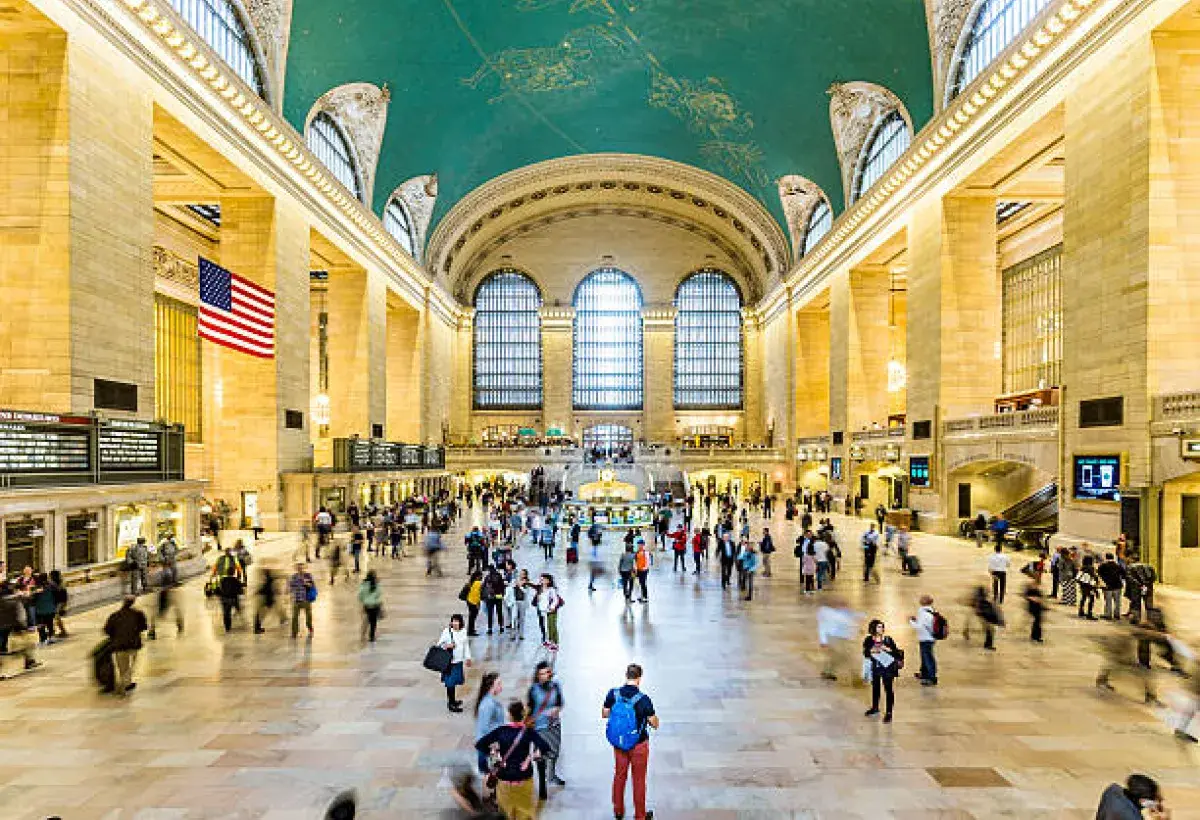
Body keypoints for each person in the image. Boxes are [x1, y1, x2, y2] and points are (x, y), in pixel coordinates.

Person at [475, 701, 551, 820]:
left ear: (510, 715)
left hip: (504, 779)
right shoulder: (528, 732)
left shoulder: (501, 731)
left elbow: (480, 744)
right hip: (523, 779)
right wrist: (530, 757)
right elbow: (545, 747)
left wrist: (495, 754)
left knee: (505, 814)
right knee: (526, 814)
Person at [603, 663, 659, 820]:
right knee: (639, 780)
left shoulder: (613, 694)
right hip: (639, 745)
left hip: (619, 743)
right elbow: (654, 723)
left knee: (619, 776)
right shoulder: (643, 700)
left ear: (626, 676)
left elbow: (605, 713)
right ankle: (640, 815)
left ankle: (618, 810)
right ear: (639, 679)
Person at [528, 661, 567, 799]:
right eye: (542, 673)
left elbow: (560, 703)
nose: (545, 676)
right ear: (537, 675)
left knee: (554, 752)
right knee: (541, 757)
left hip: (554, 726)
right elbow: (530, 710)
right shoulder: (533, 690)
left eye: (547, 673)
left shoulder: (556, 686)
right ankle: (543, 786)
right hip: (540, 728)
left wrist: (556, 710)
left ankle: (552, 775)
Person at [103, 595, 148, 696]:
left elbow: (107, 630)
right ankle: (124, 685)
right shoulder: (138, 614)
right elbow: (144, 627)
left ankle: (126, 683)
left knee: (123, 667)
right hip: (133, 644)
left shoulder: (114, 615)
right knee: (130, 667)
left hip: (119, 645)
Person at [862, 619, 901, 723]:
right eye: (879, 627)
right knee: (875, 688)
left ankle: (889, 713)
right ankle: (875, 707)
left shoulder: (888, 640)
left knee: (888, 689)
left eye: (882, 626)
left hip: (887, 668)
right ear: (873, 628)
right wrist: (871, 650)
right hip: (875, 668)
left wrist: (888, 649)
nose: (881, 629)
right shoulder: (869, 640)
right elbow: (865, 652)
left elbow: (896, 653)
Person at [0, 581, 40, 677]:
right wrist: (24, 626)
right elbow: (21, 615)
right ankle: (28, 661)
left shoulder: (6, 600)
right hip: (14, 625)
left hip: (4, 626)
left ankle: (29, 660)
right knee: (26, 643)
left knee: (22, 644)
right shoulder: (16, 600)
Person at [817, 599, 861, 681]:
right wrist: (823, 641)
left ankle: (827, 672)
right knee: (845, 656)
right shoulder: (826, 612)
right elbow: (822, 627)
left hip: (844, 638)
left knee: (840, 656)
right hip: (834, 638)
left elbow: (854, 619)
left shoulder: (844, 612)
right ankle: (856, 676)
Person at [1095, 774, 1169, 820]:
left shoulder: (1113, 789)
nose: (1160, 800)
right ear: (1144, 801)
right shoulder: (1133, 817)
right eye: (1156, 798)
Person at [438, 614, 472, 713]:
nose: (455, 623)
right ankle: (451, 704)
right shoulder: (447, 631)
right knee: (450, 683)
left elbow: (466, 646)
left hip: (458, 662)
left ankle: (453, 701)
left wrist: (468, 658)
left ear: (461, 622)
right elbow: (439, 645)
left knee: (454, 682)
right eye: (453, 621)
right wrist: (448, 645)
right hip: (449, 663)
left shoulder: (463, 631)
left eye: (457, 621)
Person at [474, 672, 506, 774]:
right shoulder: (487, 705)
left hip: (491, 745)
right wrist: (495, 746)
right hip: (489, 746)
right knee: (491, 774)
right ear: (492, 686)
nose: (501, 686)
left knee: (495, 772)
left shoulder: (491, 701)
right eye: (499, 684)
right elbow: (485, 728)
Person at [212, 545, 245, 632]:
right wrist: (239, 576)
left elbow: (215, 567)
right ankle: (238, 614)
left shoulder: (222, 558)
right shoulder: (230, 558)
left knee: (226, 611)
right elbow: (238, 568)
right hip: (229, 582)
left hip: (224, 582)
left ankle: (228, 626)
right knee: (234, 604)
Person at [148, 568, 185, 640]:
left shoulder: (163, 589)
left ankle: (152, 630)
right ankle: (179, 624)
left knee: (157, 615)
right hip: (165, 594)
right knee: (159, 614)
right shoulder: (170, 591)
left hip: (163, 595)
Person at [909, 595, 939, 686]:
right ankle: (924, 673)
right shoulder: (929, 610)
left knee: (928, 658)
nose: (920, 599)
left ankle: (931, 677)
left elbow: (918, 626)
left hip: (926, 639)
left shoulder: (924, 613)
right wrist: (917, 620)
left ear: (925, 602)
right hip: (929, 638)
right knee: (924, 657)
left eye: (922, 598)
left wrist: (911, 621)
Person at [288, 562, 316, 639]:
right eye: (298, 567)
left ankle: (310, 627)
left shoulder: (308, 575)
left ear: (304, 568)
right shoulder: (293, 577)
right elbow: (290, 587)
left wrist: (306, 583)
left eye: (301, 567)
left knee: (308, 616)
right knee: (294, 617)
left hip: (306, 599)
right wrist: (291, 595)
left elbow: (312, 585)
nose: (300, 569)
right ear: (296, 568)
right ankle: (294, 633)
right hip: (297, 599)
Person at [536, 574, 562, 651]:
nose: (541, 581)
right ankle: (548, 641)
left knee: (552, 626)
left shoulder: (551, 590)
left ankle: (555, 643)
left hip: (551, 611)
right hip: (543, 610)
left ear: (548, 581)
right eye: (541, 579)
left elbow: (556, 599)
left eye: (543, 579)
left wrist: (552, 607)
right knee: (547, 626)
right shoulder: (541, 589)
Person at [358, 570, 384, 642]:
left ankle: (362, 635)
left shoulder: (363, 584)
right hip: (375, 605)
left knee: (366, 620)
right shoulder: (376, 584)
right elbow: (379, 594)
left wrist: (362, 601)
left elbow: (360, 594)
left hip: (367, 605)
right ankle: (371, 637)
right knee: (373, 622)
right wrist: (380, 604)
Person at [1097, 552, 1125, 620]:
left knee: (1108, 601)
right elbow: (1124, 574)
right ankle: (1117, 614)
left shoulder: (1103, 566)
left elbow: (1098, 574)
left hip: (1107, 586)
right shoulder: (1118, 565)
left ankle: (1108, 614)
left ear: (1106, 558)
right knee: (1117, 601)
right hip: (1117, 586)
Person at [504, 571, 528, 640]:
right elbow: (509, 588)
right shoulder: (514, 580)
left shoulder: (526, 583)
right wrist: (513, 585)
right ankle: (513, 634)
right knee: (514, 618)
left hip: (522, 602)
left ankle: (521, 634)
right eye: (520, 573)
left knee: (521, 619)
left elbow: (525, 592)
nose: (521, 575)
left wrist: (520, 586)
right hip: (514, 602)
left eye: (523, 574)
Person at [483, 566, 506, 635]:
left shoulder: (487, 577)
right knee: (499, 612)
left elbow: (484, 587)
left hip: (490, 597)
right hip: (498, 596)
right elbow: (502, 586)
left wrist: (484, 597)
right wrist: (502, 594)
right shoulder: (499, 576)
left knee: (490, 613)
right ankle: (501, 626)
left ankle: (490, 628)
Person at [1077, 554, 1099, 620]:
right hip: (1089, 586)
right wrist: (1096, 587)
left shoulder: (1082, 567)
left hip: (1083, 586)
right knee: (1091, 599)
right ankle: (1089, 613)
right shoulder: (1091, 568)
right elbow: (1094, 577)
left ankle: (1081, 611)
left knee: (1083, 597)